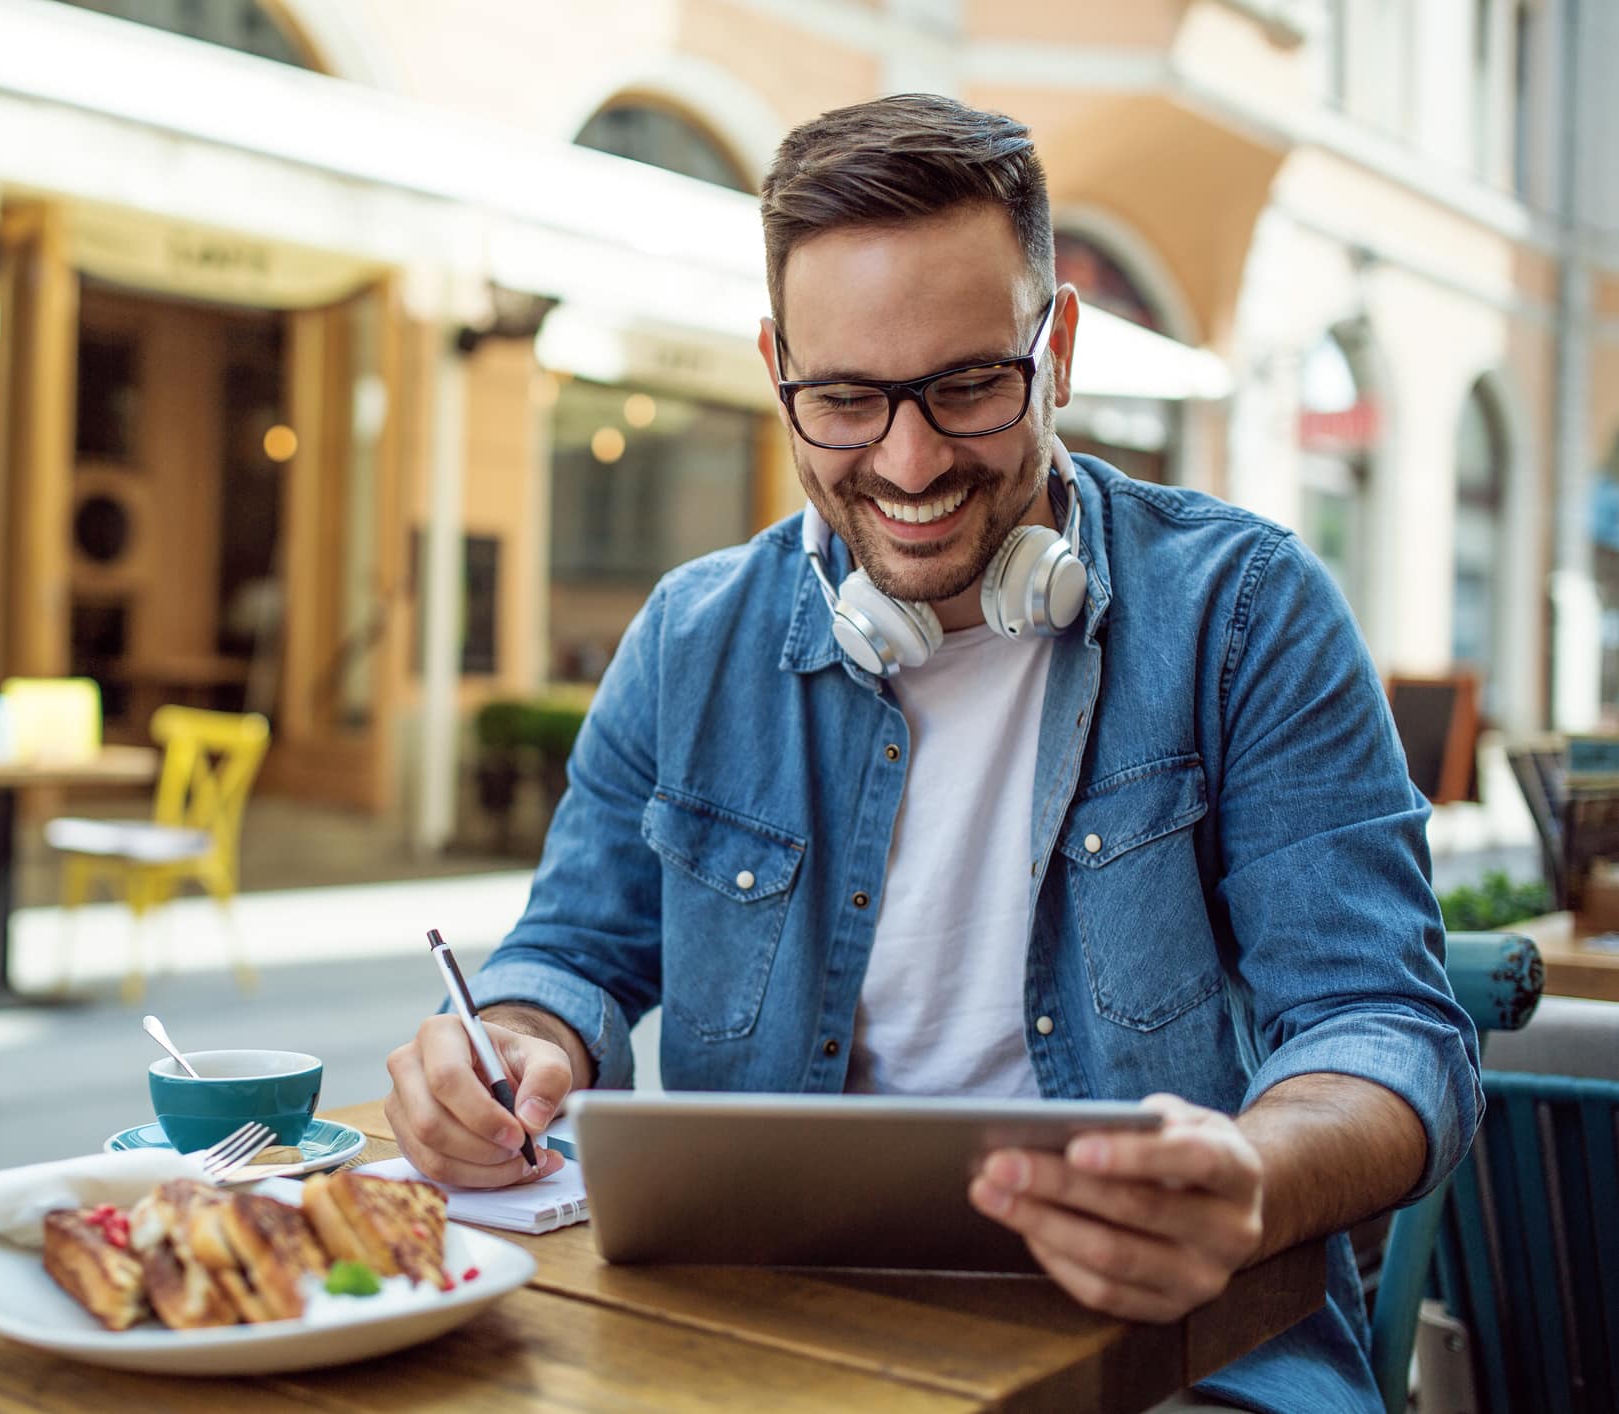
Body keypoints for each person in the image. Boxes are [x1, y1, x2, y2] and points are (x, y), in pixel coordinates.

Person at [385, 93, 1479, 1413]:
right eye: (843, 399)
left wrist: (1250, 1176)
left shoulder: (1242, 614)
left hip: (1185, 1361)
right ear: (775, 369)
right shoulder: (689, 640)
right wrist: (503, 1046)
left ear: (1056, 346)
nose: (907, 463)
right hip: (758, 1344)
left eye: (966, 385)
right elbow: (567, 956)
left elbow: (1384, 1024)